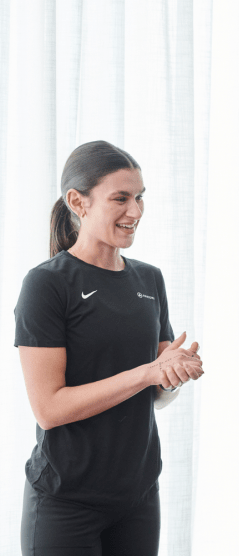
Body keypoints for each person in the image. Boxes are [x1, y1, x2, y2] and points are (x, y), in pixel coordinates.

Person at [15, 140, 204, 556]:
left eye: (139, 198)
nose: (135, 212)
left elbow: (155, 395)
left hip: (137, 496)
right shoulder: (47, 285)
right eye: (120, 198)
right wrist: (148, 372)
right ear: (77, 202)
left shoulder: (149, 280)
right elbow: (49, 408)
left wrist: (172, 376)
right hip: (66, 502)